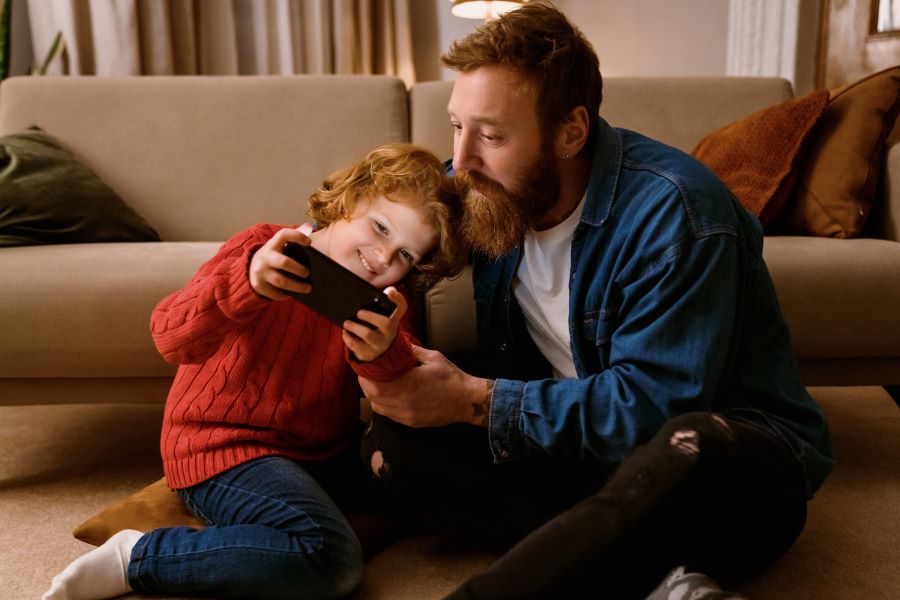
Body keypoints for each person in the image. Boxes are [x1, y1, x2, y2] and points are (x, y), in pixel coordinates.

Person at [358, 3, 835, 599]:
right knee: (396, 442)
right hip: (580, 459)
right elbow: (368, 236)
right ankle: (655, 577)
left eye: (491, 135)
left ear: (571, 132)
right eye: (457, 126)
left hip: (716, 461)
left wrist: (475, 400)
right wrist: (278, 261)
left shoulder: (679, 214)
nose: (462, 159)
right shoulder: (486, 190)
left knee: (691, 444)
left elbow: (651, 410)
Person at [42, 143, 466, 600]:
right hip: (222, 445)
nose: (383, 259)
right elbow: (169, 336)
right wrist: (246, 285)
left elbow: (403, 388)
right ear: (347, 200)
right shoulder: (259, 248)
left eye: (405, 254)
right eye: (380, 228)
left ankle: (278, 534)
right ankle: (139, 555)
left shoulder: (387, 301)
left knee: (447, 495)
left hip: (322, 451)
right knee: (330, 559)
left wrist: (381, 352)